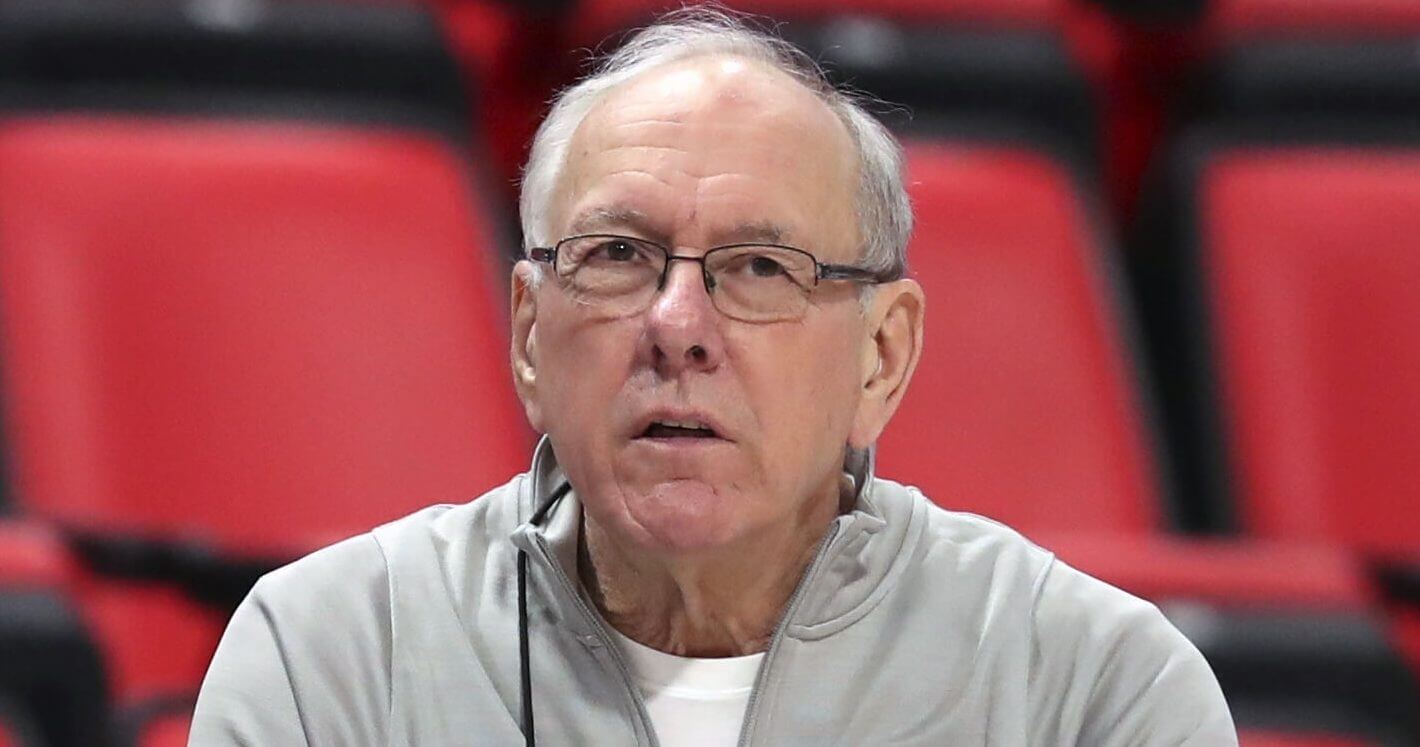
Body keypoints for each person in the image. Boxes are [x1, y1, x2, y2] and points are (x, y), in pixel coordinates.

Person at [191, 8, 1237, 745]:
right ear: (525, 336)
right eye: (614, 256)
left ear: (881, 356)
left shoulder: (1088, 693)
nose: (676, 326)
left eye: (759, 269)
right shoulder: (333, 659)